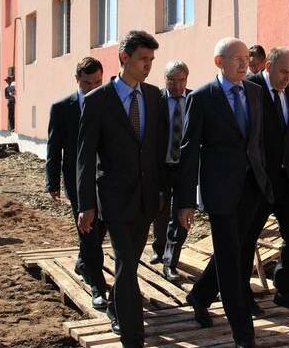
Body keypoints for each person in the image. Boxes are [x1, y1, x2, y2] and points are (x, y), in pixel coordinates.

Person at [177, 37, 272, 348]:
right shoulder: (202, 97)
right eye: (236, 59)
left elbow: (257, 141)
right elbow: (189, 151)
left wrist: (265, 179)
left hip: (252, 188)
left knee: (235, 250)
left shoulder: (255, 92)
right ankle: (243, 335)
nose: (245, 64)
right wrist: (185, 201)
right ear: (219, 62)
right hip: (220, 192)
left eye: (246, 58)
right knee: (232, 262)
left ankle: (200, 295)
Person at [77, 30, 166, 348]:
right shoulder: (97, 101)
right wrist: (86, 204)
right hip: (113, 198)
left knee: (129, 263)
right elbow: (85, 157)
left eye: (151, 59)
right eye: (143, 59)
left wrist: (164, 194)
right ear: (124, 57)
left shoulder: (154, 96)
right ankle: (133, 336)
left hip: (146, 199)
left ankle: (116, 305)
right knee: (126, 263)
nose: (148, 65)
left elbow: (157, 150)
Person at [246, 48, 289, 315]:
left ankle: (285, 291)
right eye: (283, 72)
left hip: (287, 179)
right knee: (246, 239)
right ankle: (241, 296)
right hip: (259, 181)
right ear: (268, 66)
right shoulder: (249, 89)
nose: (287, 78)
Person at [46, 56, 108, 310]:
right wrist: (52, 182)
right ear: (77, 80)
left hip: (105, 177)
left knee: (101, 227)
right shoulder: (62, 108)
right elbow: (54, 148)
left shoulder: (110, 102)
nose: (92, 88)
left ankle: (84, 262)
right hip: (77, 180)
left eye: (97, 82)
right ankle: (97, 286)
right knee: (88, 230)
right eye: (87, 83)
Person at [151, 60, 191, 281]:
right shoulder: (155, 100)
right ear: (164, 79)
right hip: (161, 167)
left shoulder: (194, 99)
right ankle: (158, 248)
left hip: (185, 168)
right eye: (171, 81)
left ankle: (170, 262)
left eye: (181, 80)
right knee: (160, 210)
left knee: (181, 215)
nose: (176, 86)